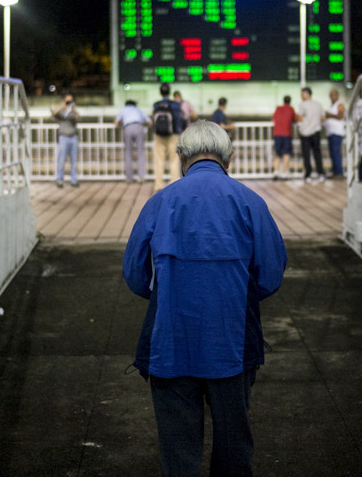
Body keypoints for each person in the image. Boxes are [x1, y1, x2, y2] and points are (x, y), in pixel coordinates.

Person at [123, 121, 287, 477]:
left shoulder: (160, 201)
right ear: (230, 158)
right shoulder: (250, 201)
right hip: (232, 345)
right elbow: (271, 274)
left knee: (178, 454)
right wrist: (236, 294)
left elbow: (135, 275)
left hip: (170, 346)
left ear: (181, 157)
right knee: (233, 450)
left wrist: (167, 292)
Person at [151, 83, 184, 191]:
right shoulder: (176, 105)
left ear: (160, 92)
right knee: (174, 160)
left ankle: (158, 185)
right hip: (173, 135)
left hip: (159, 136)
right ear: (169, 92)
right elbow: (180, 119)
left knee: (159, 160)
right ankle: (174, 183)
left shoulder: (156, 105)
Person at [115, 99, 151, 183]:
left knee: (128, 153)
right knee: (140, 152)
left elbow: (116, 122)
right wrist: (142, 123)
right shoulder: (138, 110)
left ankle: (129, 178)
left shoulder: (123, 110)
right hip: (138, 127)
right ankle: (141, 177)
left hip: (127, 127)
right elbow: (149, 122)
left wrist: (123, 123)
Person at [296, 86, 325, 182]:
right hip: (316, 131)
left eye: (302, 93)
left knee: (306, 154)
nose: (301, 95)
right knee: (317, 153)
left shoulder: (302, 104)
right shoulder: (318, 104)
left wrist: (300, 127)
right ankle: (321, 173)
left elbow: (300, 117)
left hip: (305, 132)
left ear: (307, 94)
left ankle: (308, 174)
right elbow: (323, 117)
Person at [53, 93, 79, 188]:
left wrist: (73, 109)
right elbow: (54, 113)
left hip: (73, 137)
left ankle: (74, 180)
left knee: (74, 160)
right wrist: (62, 105)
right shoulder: (61, 111)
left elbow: (77, 118)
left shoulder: (73, 112)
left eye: (70, 101)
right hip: (63, 137)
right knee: (61, 160)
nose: (69, 103)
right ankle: (59, 180)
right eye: (67, 100)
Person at [323, 88, 346, 179]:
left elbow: (340, 116)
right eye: (331, 95)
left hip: (337, 133)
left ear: (337, 96)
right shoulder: (332, 106)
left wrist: (329, 115)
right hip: (331, 133)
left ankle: (339, 172)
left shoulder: (339, 105)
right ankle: (335, 171)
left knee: (336, 152)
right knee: (332, 153)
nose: (332, 97)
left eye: (333, 95)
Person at [271, 95, 296, 179]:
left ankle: (276, 172)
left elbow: (273, 118)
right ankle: (284, 173)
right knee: (286, 153)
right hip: (286, 134)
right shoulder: (291, 109)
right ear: (290, 101)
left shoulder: (278, 108)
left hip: (277, 134)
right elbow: (294, 119)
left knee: (277, 154)